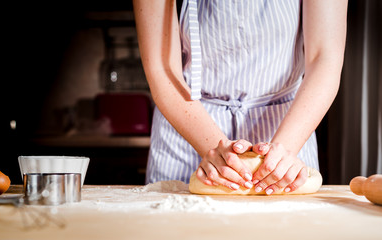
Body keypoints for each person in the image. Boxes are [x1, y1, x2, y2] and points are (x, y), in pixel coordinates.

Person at [133, 0, 347, 195]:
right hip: (188, 122)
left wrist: (283, 153)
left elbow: (324, 58)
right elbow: (161, 67)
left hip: (288, 127)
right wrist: (213, 148)